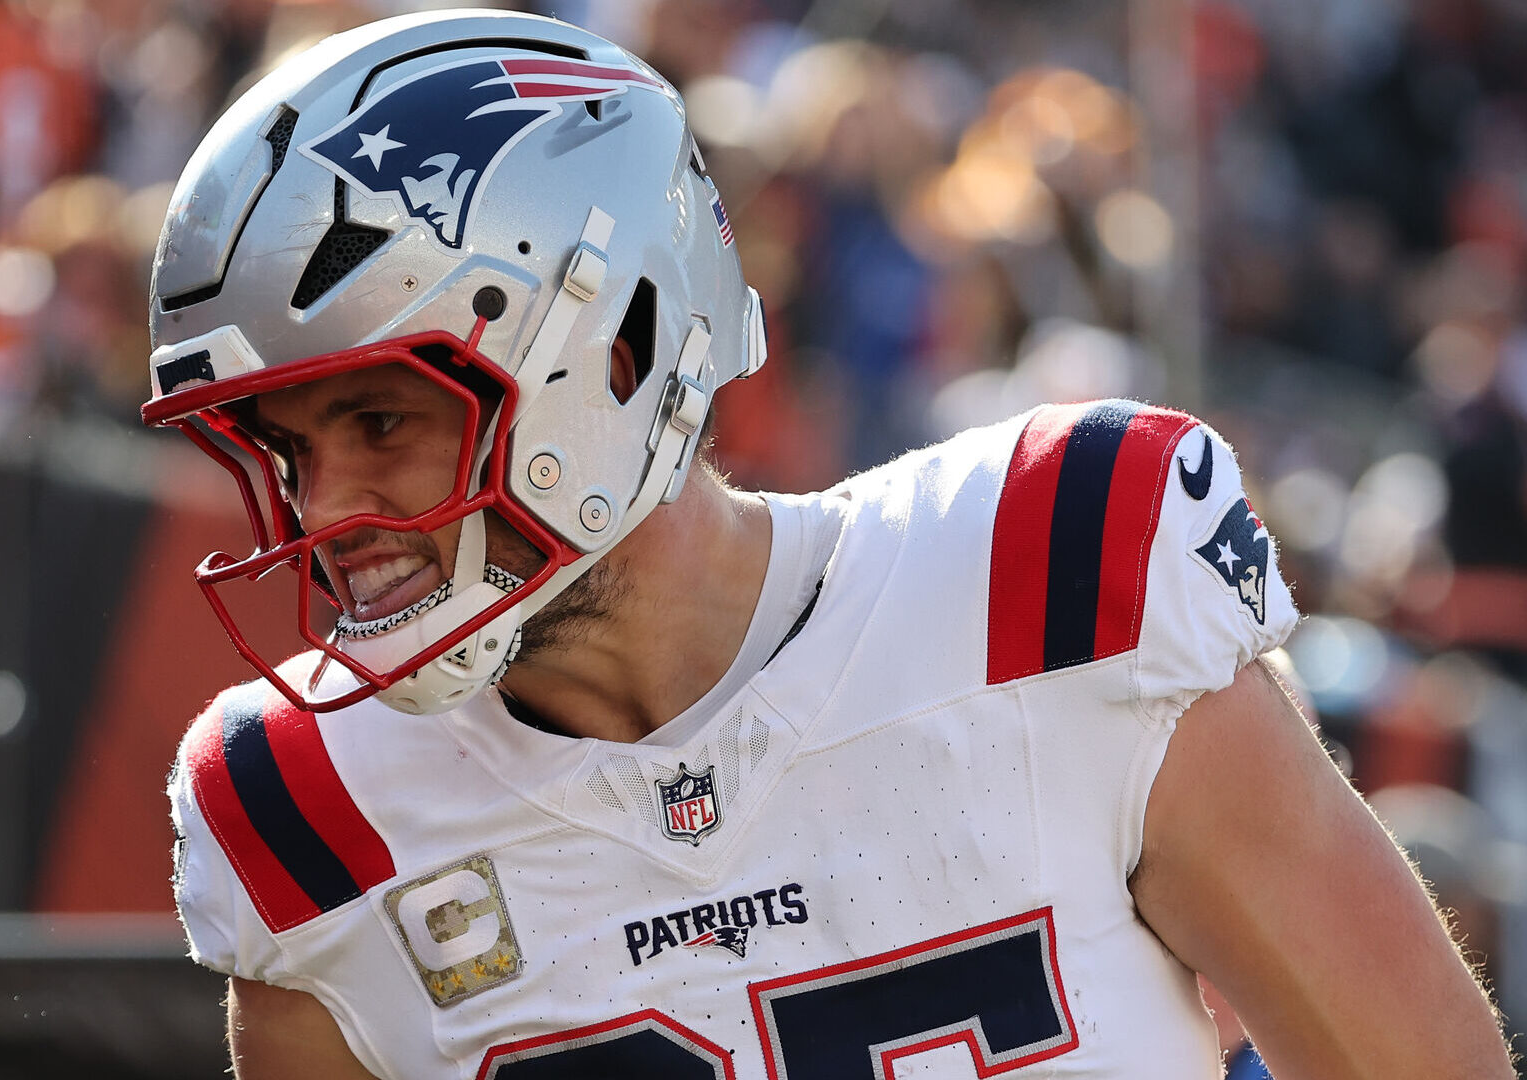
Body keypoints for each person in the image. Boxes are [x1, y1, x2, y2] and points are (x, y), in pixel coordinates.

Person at [144, 11, 1510, 1078]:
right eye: (286, 448)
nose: (324, 511)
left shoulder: (1054, 573)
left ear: (610, 347)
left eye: (381, 418)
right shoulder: (305, 810)